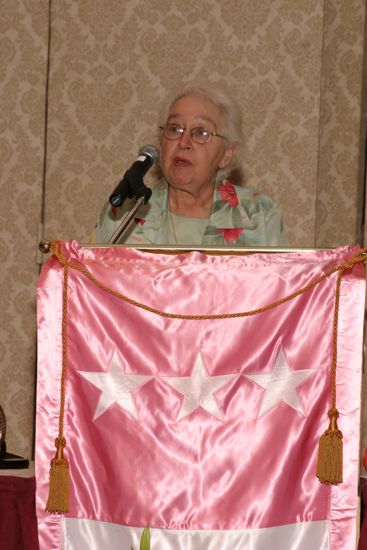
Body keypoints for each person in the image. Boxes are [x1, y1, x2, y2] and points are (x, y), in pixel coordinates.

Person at [92, 81, 288, 246]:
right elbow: (91, 285)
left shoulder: (259, 215)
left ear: (227, 154)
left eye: (201, 132)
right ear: (161, 141)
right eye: (174, 129)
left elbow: (281, 288)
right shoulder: (123, 213)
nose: (183, 142)